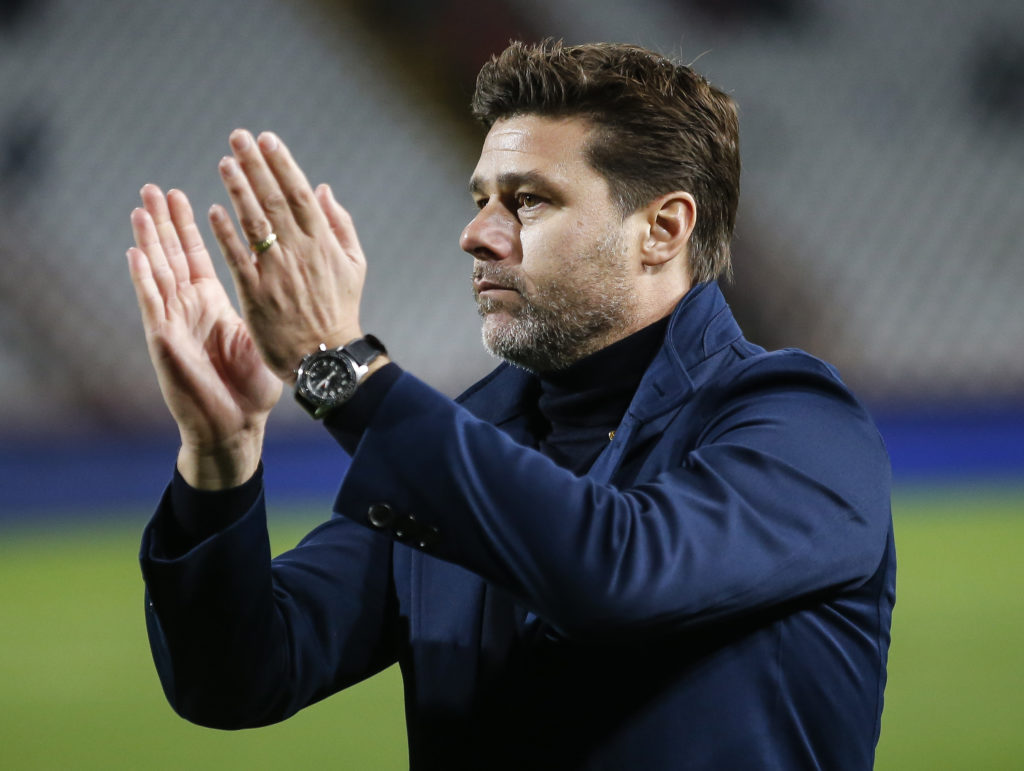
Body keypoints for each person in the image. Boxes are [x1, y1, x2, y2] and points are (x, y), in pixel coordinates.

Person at [127, 40, 895, 769]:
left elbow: (615, 570)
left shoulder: (801, 427)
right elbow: (238, 676)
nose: (476, 234)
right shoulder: (473, 441)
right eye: (481, 199)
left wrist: (347, 370)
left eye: (526, 202)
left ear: (662, 229)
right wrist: (220, 461)